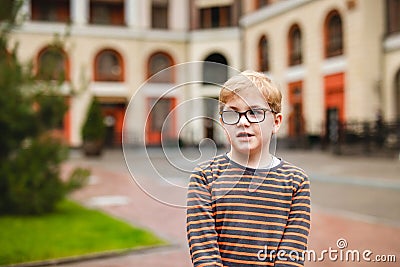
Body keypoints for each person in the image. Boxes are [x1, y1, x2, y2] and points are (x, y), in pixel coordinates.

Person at [186, 70, 311, 266]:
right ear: (223, 123)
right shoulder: (205, 177)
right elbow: (204, 254)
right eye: (232, 113)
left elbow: (291, 256)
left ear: (276, 122)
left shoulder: (296, 182)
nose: (243, 121)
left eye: (254, 112)